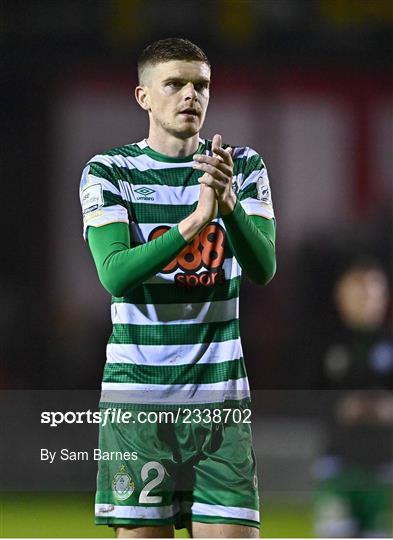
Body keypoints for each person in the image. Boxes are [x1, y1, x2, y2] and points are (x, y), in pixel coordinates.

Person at [79, 37, 276, 538]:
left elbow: (264, 268)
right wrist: (195, 221)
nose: (191, 95)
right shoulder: (110, 171)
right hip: (137, 406)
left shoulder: (241, 168)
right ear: (144, 96)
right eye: (175, 84)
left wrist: (227, 206)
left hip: (220, 405)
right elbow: (116, 274)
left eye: (201, 85)